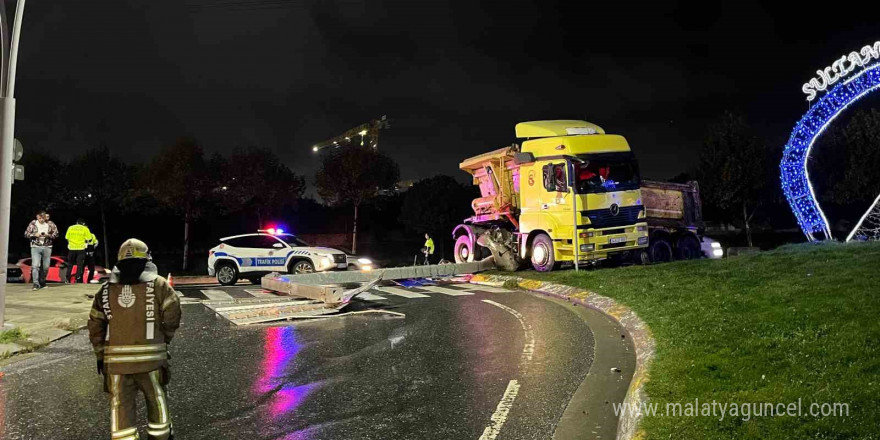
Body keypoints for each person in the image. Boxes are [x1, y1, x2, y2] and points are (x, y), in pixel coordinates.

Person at [87, 239, 181, 440]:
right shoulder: (159, 285)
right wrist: (164, 339)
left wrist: (100, 354)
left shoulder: (105, 290)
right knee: (157, 399)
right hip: (151, 362)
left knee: (119, 405)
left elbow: (95, 325)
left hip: (116, 366)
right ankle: (161, 436)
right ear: (147, 260)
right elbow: (172, 314)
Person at [24, 210, 58, 290]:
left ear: (45, 217)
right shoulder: (33, 224)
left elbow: (56, 234)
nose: (41, 220)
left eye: (43, 218)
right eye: (39, 218)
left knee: (46, 267)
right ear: (37, 217)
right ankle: (35, 284)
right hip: (35, 246)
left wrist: (48, 235)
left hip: (47, 246)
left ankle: (42, 282)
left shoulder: (50, 224)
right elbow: (26, 234)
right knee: (35, 265)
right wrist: (34, 235)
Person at [65, 218, 93, 284]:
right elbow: (89, 239)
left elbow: (67, 237)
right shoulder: (85, 229)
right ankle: (77, 278)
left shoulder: (70, 228)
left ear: (77, 222)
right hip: (81, 249)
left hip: (71, 249)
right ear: (83, 223)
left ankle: (67, 279)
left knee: (70, 264)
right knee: (79, 265)